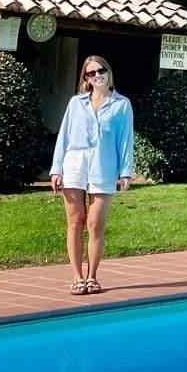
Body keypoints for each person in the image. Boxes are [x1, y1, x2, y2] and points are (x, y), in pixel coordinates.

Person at [50, 53, 135, 295]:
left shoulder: (122, 105)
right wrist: (57, 169)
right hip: (74, 164)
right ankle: (77, 277)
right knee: (75, 222)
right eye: (91, 73)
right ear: (85, 78)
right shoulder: (76, 103)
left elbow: (126, 140)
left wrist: (125, 171)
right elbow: (63, 136)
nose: (96, 75)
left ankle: (92, 276)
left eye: (100, 71)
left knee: (95, 224)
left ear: (108, 73)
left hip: (104, 165)